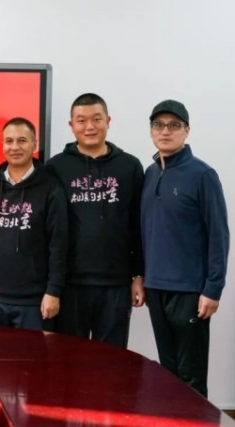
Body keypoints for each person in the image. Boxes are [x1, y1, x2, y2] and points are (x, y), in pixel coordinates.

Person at [141, 100, 229, 397]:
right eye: (158, 125)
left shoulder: (202, 175)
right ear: (151, 130)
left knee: (191, 377)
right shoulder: (150, 174)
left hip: (190, 291)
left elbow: (219, 234)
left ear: (186, 130)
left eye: (174, 125)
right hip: (156, 288)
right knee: (168, 373)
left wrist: (213, 289)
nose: (165, 131)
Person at [46, 93, 145, 348]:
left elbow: (138, 224)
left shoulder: (130, 166)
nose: (89, 127)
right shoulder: (56, 168)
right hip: (70, 283)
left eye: (97, 119)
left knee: (112, 360)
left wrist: (138, 274)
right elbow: (51, 229)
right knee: (69, 358)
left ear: (108, 121)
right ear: (71, 125)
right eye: (81, 121)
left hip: (116, 283)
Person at [0, 117, 68, 331]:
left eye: (22, 140)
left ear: (34, 144)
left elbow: (59, 244)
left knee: (34, 354)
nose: (15, 147)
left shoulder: (51, 187)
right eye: (9, 141)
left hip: (34, 301)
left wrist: (53, 291)